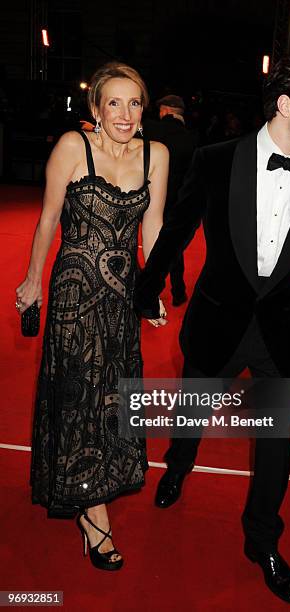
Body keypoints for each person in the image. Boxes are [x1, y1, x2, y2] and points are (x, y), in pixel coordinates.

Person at [134, 53, 290, 602]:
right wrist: (145, 287)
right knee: (193, 408)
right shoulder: (214, 159)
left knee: (277, 443)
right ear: (285, 104)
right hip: (217, 318)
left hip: (283, 331)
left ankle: (263, 542)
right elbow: (176, 232)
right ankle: (179, 465)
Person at [15, 61, 169, 571]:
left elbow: (154, 230)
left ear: (142, 110)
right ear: (96, 110)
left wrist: (153, 291)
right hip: (74, 296)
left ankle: (91, 488)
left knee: (112, 395)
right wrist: (33, 280)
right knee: (79, 394)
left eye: (134, 103)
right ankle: (93, 513)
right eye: (114, 103)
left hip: (121, 299)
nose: (125, 114)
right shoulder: (71, 148)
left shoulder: (157, 154)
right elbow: (48, 220)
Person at [145, 94, 196, 306]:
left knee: (148, 239)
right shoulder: (193, 137)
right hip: (179, 200)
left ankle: (148, 289)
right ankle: (178, 290)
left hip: (153, 197)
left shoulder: (153, 129)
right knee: (173, 244)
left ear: (165, 110)